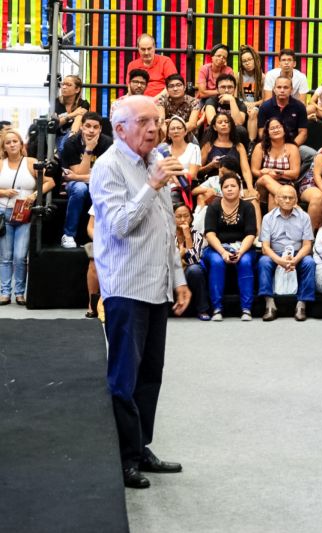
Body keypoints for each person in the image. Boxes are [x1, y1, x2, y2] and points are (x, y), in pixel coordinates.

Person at [88, 95, 190, 489]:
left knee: (150, 375)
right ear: (120, 129)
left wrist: (178, 278)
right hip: (127, 286)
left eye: (157, 121)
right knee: (124, 377)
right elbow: (119, 226)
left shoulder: (155, 161)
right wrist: (152, 185)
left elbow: (166, 228)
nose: (154, 129)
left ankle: (141, 445)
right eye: (144, 122)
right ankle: (124, 456)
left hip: (157, 285)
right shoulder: (108, 168)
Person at [0, 130, 55, 305]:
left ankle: (20, 292)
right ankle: (5, 292)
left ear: (21, 143)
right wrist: (3, 192)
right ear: (4, 147)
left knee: (20, 256)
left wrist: (34, 196)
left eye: (15, 141)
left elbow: (50, 181)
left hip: (24, 213)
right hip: (4, 213)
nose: (12, 144)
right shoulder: (1, 164)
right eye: (8, 142)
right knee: (6, 256)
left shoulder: (30, 163)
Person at [202, 169, 258, 321]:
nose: (230, 189)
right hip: (217, 248)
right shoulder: (213, 206)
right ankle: (217, 308)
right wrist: (222, 252)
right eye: (226, 186)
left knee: (245, 261)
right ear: (221, 189)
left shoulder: (248, 207)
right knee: (216, 262)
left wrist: (240, 252)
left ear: (239, 188)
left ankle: (246, 309)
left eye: (233, 186)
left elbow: (251, 234)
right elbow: (210, 234)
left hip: (243, 247)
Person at [257, 184, 315, 322]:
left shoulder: (304, 217)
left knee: (309, 262)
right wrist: (279, 260)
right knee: (263, 261)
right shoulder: (268, 218)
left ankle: (301, 305)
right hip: (275, 253)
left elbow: (307, 245)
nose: (288, 200)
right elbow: (265, 247)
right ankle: (270, 305)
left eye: (291, 198)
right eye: (284, 197)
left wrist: (295, 259)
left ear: (296, 200)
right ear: (277, 199)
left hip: (297, 253)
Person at [60, 112, 113, 248]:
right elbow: (82, 174)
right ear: (81, 127)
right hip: (76, 185)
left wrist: (76, 176)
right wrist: (89, 149)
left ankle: (101, 236)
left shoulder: (107, 143)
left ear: (100, 129)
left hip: (100, 183)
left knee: (106, 188)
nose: (91, 130)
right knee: (80, 188)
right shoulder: (71, 143)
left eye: (95, 127)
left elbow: (105, 175)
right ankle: (69, 235)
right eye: (87, 126)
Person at [256, 76, 315, 174]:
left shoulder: (299, 106)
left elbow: (303, 133)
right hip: (271, 144)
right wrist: (274, 146)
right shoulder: (265, 107)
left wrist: (291, 147)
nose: (282, 90)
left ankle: (296, 181)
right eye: (279, 87)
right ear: (274, 89)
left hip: (293, 143)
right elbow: (261, 132)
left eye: (286, 87)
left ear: (291, 89)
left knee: (313, 155)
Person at [198, 113, 255, 197]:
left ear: (231, 125)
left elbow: (246, 170)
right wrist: (211, 165)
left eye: (226, 122)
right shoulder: (208, 146)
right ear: (214, 127)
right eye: (220, 122)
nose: (224, 124)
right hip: (213, 184)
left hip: (234, 183)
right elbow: (198, 171)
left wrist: (250, 188)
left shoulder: (239, 146)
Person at [250, 117, 301, 210]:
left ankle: (272, 224)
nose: (276, 130)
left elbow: (295, 173)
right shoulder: (260, 147)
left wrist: (278, 173)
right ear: (267, 132)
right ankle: (292, 203)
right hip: (262, 185)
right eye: (272, 128)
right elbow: (254, 170)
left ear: (284, 130)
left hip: (286, 185)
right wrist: (264, 173)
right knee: (266, 178)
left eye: (278, 127)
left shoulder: (292, 148)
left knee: (273, 196)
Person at [173, 203, 210, 320]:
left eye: (186, 216)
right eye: (178, 216)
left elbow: (194, 260)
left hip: (188, 270)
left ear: (191, 217)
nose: (183, 220)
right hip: (170, 269)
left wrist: (187, 236)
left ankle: (202, 310)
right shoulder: (166, 234)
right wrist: (181, 254)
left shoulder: (197, 236)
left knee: (195, 270)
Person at [160, 116, 200, 206]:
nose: (176, 131)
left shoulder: (194, 148)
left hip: (186, 186)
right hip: (166, 186)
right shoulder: (164, 150)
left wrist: (172, 176)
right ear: (168, 134)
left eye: (179, 128)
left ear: (185, 132)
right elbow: (161, 173)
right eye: (172, 129)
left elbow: (192, 174)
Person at [125, 33, 177, 98]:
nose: (146, 52)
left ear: (154, 47)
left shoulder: (166, 61)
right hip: (139, 101)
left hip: (162, 101)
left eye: (149, 49)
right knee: (116, 104)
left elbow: (172, 85)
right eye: (143, 49)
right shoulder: (132, 65)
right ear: (138, 48)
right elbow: (130, 88)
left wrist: (154, 101)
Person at [237, 45, 266, 142]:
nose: (247, 63)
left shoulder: (262, 77)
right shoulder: (238, 76)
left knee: (253, 113)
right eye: (244, 61)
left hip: (255, 106)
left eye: (250, 59)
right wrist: (244, 105)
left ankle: (251, 143)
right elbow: (235, 97)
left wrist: (253, 104)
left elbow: (264, 99)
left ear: (255, 59)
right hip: (241, 105)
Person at [53, 75, 90, 153]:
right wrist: (73, 114)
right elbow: (55, 124)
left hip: (74, 134)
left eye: (68, 85)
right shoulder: (55, 102)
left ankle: (70, 141)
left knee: (79, 117)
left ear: (77, 89)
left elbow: (78, 120)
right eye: (63, 84)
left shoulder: (84, 104)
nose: (64, 87)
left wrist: (65, 118)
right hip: (57, 134)